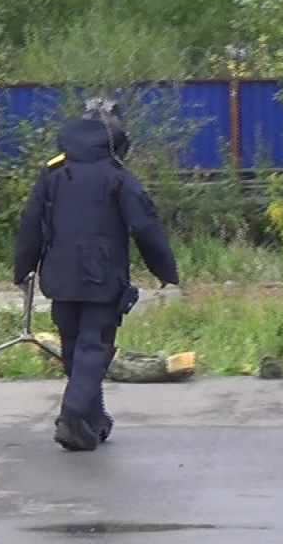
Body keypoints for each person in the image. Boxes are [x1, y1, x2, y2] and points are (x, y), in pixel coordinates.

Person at [13, 97, 179, 452]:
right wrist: (165, 269)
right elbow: (145, 226)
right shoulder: (118, 176)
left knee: (75, 349)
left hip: (59, 275)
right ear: (115, 143)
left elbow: (30, 223)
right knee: (95, 345)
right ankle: (71, 416)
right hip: (101, 277)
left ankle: (94, 421)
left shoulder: (53, 173)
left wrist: (23, 266)